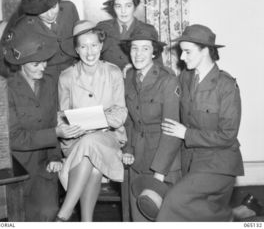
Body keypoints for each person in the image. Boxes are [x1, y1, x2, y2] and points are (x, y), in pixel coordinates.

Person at [159, 24, 244, 221]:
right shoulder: (186, 77)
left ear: (205, 51)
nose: (181, 57)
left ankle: (229, 217)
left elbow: (228, 135)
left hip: (219, 163)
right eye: (181, 52)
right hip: (193, 162)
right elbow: (163, 82)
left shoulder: (226, 86)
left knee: (174, 201)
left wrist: (186, 134)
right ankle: (229, 217)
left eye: (187, 52)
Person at [3, 19, 77, 221]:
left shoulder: (49, 83)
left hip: (44, 167)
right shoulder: (7, 90)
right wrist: (55, 134)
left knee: (49, 212)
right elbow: (14, 137)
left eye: (44, 61)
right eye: (36, 63)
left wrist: (55, 158)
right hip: (16, 170)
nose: (43, 67)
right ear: (21, 64)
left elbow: (53, 122)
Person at [56, 20, 127, 221]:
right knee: (93, 164)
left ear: (101, 46)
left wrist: (98, 122)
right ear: (77, 50)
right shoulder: (66, 77)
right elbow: (61, 116)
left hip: (109, 138)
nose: (90, 52)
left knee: (91, 142)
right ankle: (87, 222)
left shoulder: (113, 72)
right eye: (84, 46)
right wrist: (69, 129)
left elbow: (121, 113)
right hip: (76, 142)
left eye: (94, 45)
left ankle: (63, 214)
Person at [122, 25, 182, 221]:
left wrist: (159, 174)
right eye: (134, 48)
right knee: (138, 219)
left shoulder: (168, 81)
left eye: (145, 48)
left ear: (154, 51)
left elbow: (172, 131)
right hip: (137, 162)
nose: (138, 54)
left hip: (162, 163)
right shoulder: (129, 77)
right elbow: (130, 120)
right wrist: (128, 149)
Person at [0, 0, 79, 79]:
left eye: (53, 7)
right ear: (34, 10)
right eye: (43, 11)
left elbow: (78, 38)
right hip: (46, 76)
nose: (50, 14)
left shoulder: (69, 9)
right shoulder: (24, 25)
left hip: (74, 70)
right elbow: (11, 55)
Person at [97, 0, 162, 75]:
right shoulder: (103, 28)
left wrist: (139, 65)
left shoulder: (148, 30)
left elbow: (158, 65)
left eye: (128, 5)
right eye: (118, 6)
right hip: (108, 83)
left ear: (135, 6)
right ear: (113, 7)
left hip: (136, 84)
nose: (123, 11)